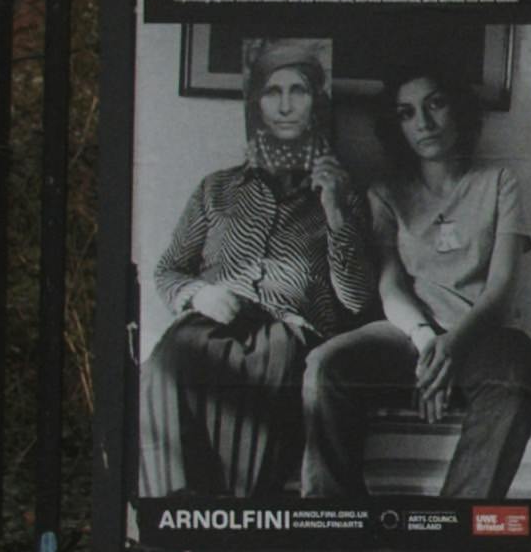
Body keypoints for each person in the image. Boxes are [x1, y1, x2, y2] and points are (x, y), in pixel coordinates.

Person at [137, 41, 374, 498]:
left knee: (273, 368)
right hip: (211, 320)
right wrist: (197, 294)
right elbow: (168, 269)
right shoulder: (217, 189)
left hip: (289, 331)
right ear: (257, 104)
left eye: (299, 91)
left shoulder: (345, 195)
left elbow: (357, 299)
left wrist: (336, 213)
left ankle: (239, 518)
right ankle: (175, 513)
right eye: (272, 91)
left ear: (316, 103)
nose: (285, 105)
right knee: (163, 366)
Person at [300, 67, 531, 501]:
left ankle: (457, 527)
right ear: (396, 126)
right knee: (325, 364)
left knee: (519, 364)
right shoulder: (385, 192)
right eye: (406, 113)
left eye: (435, 104)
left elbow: (501, 290)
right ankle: (336, 526)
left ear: (460, 110)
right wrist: (427, 339)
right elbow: (390, 283)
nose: (424, 123)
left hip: (478, 337)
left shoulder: (499, 182)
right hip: (406, 333)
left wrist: (452, 346)